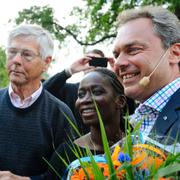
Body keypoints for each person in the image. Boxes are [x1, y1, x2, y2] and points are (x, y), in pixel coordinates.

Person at [0, 24, 76, 179]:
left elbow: (68, 173)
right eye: (12, 52)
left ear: (46, 62)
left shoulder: (60, 114)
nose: (16, 60)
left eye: (26, 54)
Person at [112, 6, 180, 149]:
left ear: (174, 54)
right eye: (116, 55)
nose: (118, 63)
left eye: (133, 50)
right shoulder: (135, 121)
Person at [44, 68, 128, 179]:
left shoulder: (139, 146)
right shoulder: (66, 154)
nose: (85, 100)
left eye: (97, 92)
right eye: (81, 95)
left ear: (120, 101)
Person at [44, 49, 136, 134]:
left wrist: (118, 78)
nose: (92, 65)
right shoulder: (70, 90)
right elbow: (42, 93)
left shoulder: (113, 92)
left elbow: (130, 109)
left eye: (97, 61)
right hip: (79, 146)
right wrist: (69, 71)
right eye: (88, 61)